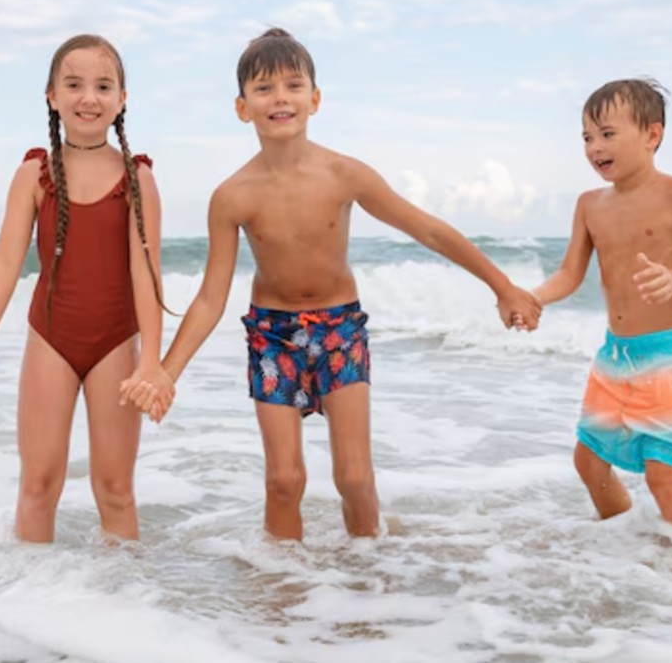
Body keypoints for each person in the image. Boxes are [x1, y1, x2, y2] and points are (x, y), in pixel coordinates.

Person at [121, 28, 540, 541]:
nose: (280, 98)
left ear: (314, 99)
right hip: (272, 337)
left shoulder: (344, 173)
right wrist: (167, 373)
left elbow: (426, 229)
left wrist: (502, 286)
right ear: (241, 107)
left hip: (340, 329)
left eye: (293, 86)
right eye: (264, 88)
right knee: (283, 479)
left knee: (355, 477)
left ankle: (366, 584)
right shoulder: (232, 195)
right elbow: (212, 296)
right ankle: (282, 593)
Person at [0, 34, 170, 543]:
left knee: (115, 488)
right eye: (74, 85)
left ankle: (122, 603)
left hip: (117, 345)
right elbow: (5, 262)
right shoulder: (34, 173)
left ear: (122, 99)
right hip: (51, 340)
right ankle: (29, 604)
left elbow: (147, 275)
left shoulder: (136, 178)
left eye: (103, 86)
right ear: (52, 95)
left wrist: (152, 361)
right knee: (38, 484)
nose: (89, 97)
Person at [529, 78, 672, 536]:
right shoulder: (589, 205)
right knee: (588, 462)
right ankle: (622, 549)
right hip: (616, 357)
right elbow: (569, 274)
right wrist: (535, 298)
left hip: (670, 355)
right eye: (586, 137)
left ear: (652, 135)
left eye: (606, 133)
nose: (594, 147)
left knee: (663, 475)